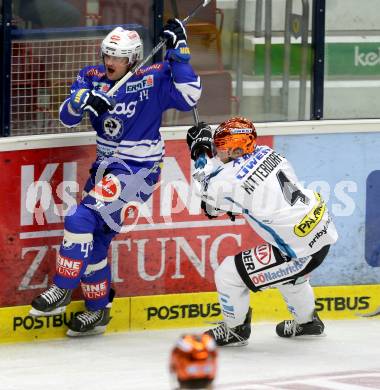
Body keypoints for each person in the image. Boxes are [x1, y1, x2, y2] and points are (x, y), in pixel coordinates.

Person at [29, 20, 201, 336]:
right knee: (95, 241)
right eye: (108, 54)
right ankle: (98, 313)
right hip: (106, 169)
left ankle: (63, 289)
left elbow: (190, 97)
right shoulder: (91, 77)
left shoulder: (154, 77)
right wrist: (84, 101)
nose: (110, 62)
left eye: (119, 57)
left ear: (133, 58)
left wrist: (180, 53)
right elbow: (66, 117)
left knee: (79, 220)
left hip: (138, 171)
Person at [186, 117, 338, 346]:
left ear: (237, 148)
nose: (217, 153)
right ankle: (308, 323)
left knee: (228, 274)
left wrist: (199, 152)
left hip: (298, 249)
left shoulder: (230, 180)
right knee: (290, 277)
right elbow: (234, 177)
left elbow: (205, 192)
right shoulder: (268, 152)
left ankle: (235, 330)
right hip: (320, 231)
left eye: (222, 147)